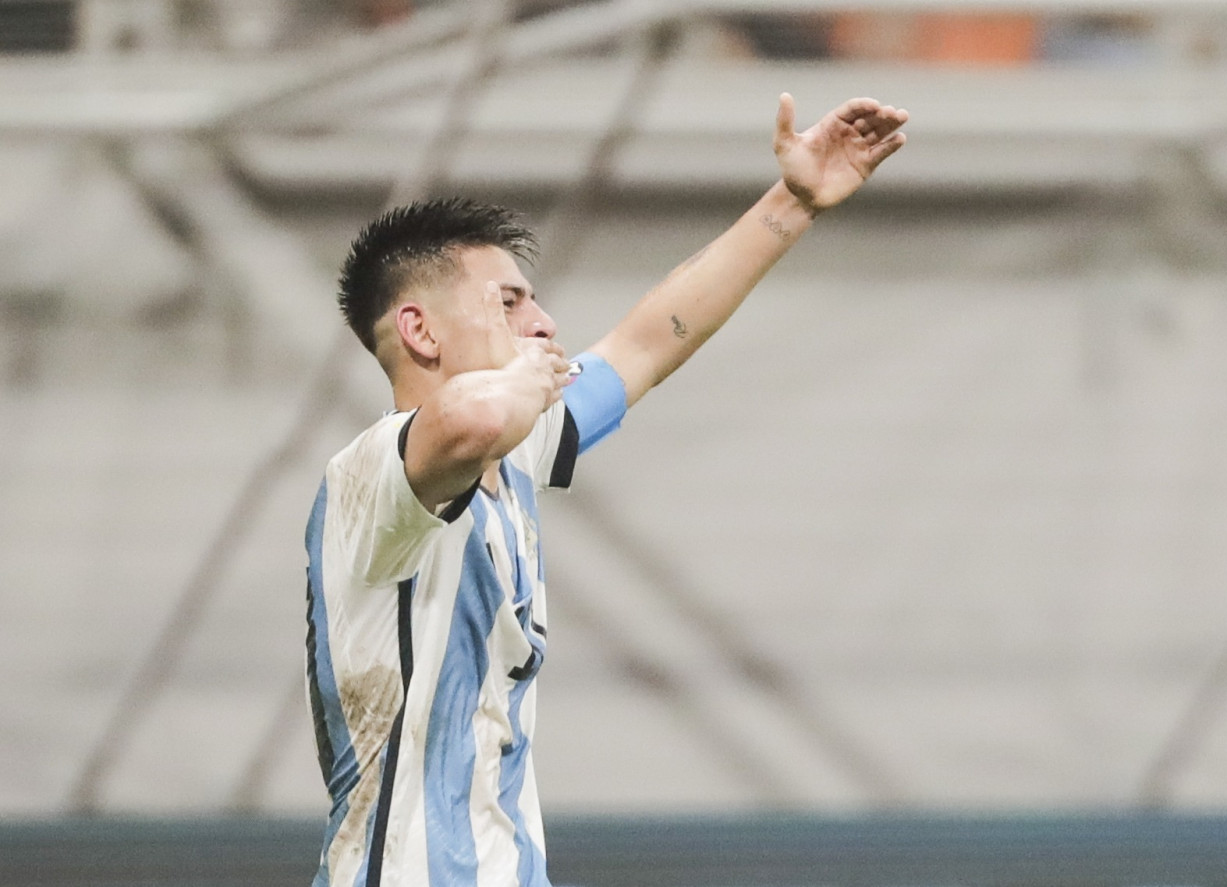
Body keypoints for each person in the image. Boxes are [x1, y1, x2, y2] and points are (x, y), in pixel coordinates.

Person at [303, 91, 908, 887]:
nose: (546, 323)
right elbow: (468, 421)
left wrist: (791, 204)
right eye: (511, 302)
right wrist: (524, 376)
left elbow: (650, 340)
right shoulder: (372, 477)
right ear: (420, 331)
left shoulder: (514, 454)